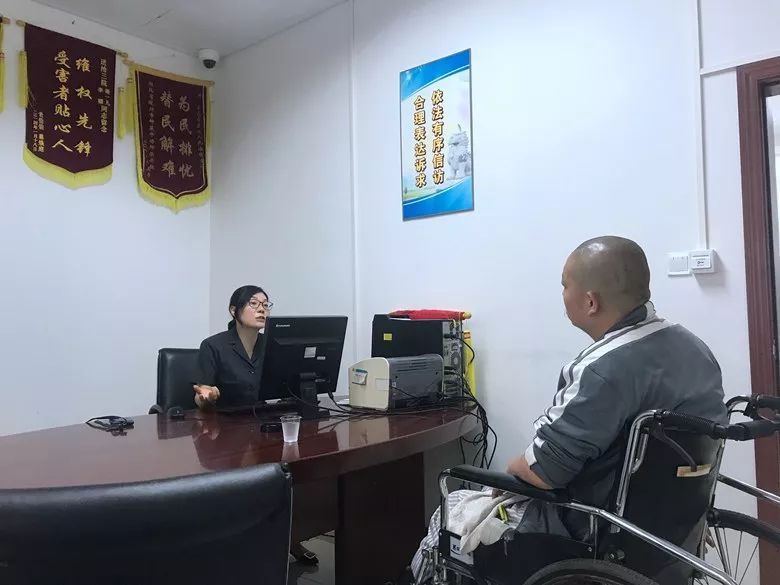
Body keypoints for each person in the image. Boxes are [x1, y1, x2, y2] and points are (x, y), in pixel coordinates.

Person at [409, 236, 728, 581]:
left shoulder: (603, 367)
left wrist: (513, 467)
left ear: (590, 302)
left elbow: (544, 473)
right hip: (672, 529)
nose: (562, 294)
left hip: (592, 529)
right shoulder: (695, 349)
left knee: (452, 508)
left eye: (564, 285)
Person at [193, 285, 319, 566]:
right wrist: (207, 396)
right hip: (226, 433)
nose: (262, 309)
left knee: (292, 470)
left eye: (265, 304)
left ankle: (289, 535)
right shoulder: (213, 346)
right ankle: (240, 544)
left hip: (264, 425)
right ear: (233, 310)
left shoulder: (273, 345)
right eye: (253, 303)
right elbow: (201, 396)